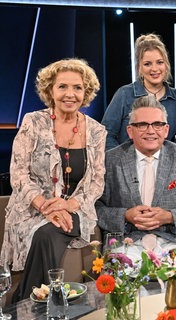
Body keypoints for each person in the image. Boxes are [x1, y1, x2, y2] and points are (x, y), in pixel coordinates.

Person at [0, 58, 106, 301]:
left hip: (76, 209)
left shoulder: (97, 131)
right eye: (63, 87)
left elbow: (96, 182)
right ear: (50, 90)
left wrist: (66, 206)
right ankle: (45, 304)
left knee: (48, 234)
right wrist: (46, 206)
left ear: (86, 92)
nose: (70, 94)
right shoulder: (33, 122)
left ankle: (26, 305)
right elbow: (18, 173)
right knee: (45, 231)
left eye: (77, 88)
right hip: (32, 209)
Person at [96, 95, 176, 260]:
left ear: (166, 130)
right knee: (119, 278)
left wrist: (170, 216)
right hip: (126, 243)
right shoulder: (110, 160)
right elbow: (96, 208)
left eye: (157, 124)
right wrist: (125, 215)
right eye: (142, 125)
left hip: (175, 242)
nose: (151, 131)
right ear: (130, 131)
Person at [102, 33, 176, 150]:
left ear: (166, 65)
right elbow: (106, 134)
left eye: (159, 62)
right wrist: (120, 161)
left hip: (164, 166)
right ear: (139, 67)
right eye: (147, 64)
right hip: (127, 165)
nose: (154, 69)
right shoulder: (125, 94)